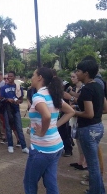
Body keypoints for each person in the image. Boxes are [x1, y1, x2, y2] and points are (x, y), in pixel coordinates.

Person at [24, 67, 75, 194]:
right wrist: (53, 125)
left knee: (29, 182)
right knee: (50, 181)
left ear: (40, 77)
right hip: (56, 146)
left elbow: (46, 116)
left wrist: (42, 132)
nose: (31, 77)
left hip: (42, 148)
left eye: (33, 75)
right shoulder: (53, 94)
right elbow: (70, 111)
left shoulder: (38, 96)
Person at [74, 60, 107, 194]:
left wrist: (73, 112)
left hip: (88, 129)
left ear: (86, 73)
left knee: (92, 166)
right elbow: (105, 108)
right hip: (98, 126)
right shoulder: (99, 85)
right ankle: (98, 190)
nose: (76, 73)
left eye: (78, 71)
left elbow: (88, 113)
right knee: (94, 164)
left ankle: (96, 192)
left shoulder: (87, 88)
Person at [0, 71, 29, 153]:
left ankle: (24, 146)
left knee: (19, 128)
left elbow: (21, 100)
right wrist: (7, 99)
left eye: (11, 76)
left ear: (14, 77)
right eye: (8, 76)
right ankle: (10, 145)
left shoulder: (18, 87)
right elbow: (1, 98)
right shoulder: (4, 88)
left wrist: (18, 101)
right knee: (8, 128)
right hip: (7, 109)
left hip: (15, 109)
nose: (9, 78)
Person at [64, 71, 87, 170]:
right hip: (74, 117)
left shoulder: (84, 88)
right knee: (77, 139)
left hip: (82, 116)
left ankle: (85, 163)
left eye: (74, 77)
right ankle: (80, 161)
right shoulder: (72, 88)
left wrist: (72, 102)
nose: (72, 79)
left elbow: (84, 103)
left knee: (83, 141)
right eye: (71, 77)